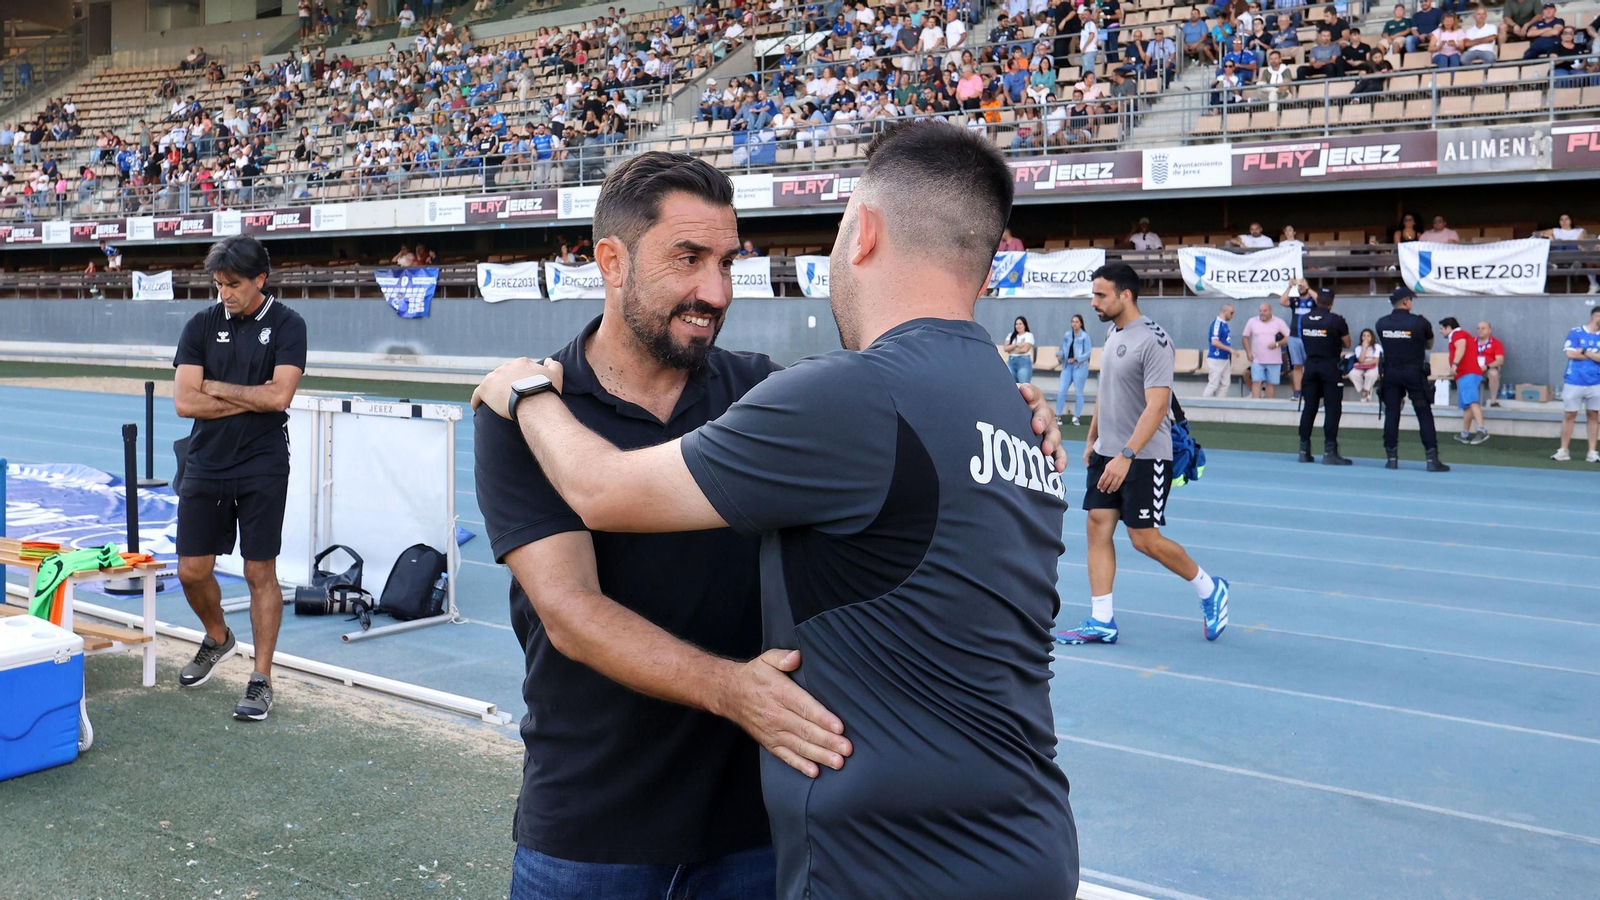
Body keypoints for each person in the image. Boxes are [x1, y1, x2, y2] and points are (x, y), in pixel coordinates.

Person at [470, 124, 1079, 900]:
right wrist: (730, 689)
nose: (716, 291)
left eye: (727, 262)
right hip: (596, 830)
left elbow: (893, 434)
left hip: (761, 835)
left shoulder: (768, 392)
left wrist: (994, 416)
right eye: (688, 260)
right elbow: (570, 613)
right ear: (612, 262)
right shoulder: (526, 415)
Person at [1057, 262, 1229, 646]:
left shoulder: (1154, 340)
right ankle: (1102, 620)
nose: (1093, 302)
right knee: (1097, 524)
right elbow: (1107, 392)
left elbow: (1156, 406)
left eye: (1101, 295)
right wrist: (1092, 440)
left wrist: (1127, 455)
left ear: (1125, 295)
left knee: (1143, 538)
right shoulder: (1114, 333)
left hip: (1144, 456)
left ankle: (1209, 587)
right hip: (1108, 452)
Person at [171, 236, 308, 720]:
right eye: (218, 284)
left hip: (263, 463)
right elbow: (185, 402)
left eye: (233, 285)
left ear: (260, 281)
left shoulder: (289, 325)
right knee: (191, 569)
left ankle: (261, 678)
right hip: (206, 461)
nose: (224, 293)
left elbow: (279, 399)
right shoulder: (200, 324)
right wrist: (249, 394)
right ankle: (218, 636)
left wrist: (213, 385)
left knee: (258, 572)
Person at [1376, 287, 1449, 471]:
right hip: (1414, 371)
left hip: (1391, 372)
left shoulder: (1381, 323)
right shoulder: (1419, 322)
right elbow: (1429, 343)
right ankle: (1432, 460)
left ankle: (1391, 458)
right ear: (1407, 302)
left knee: (1391, 413)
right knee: (1423, 413)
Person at [1296, 288, 1352, 464]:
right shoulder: (1336, 320)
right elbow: (1347, 342)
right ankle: (1330, 452)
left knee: (1309, 408)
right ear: (1332, 302)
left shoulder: (1304, 319)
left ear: (1317, 300)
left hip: (1311, 365)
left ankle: (1304, 450)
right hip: (1329, 366)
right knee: (1333, 408)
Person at [1552, 306, 1600, 462]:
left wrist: (1584, 352)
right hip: (1574, 380)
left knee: (1593, 415)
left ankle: (1592, 452)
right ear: (1596, 316)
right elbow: (1570, 353)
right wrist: (1593, 355)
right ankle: (1564, 450)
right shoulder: (1576, 332)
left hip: (1596, 381)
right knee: (1569, 415)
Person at [1440, 316, 1489, 444]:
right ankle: (1465, 433)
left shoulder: (1458, 334)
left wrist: (1454, 364)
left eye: (1442, 329)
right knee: (1467, 405)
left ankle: (1482, 430)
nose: (1440, 332)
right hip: (1465, 374)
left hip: (1468, 373)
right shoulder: (1460, 335)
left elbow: (1461, 346)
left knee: (1472, 402)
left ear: (1448, 328)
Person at [1539, 213, 1599, 294]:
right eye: (1561, 219)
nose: (1564, 221)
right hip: (1560, 254)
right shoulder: (1556, 230)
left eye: (1566, 219)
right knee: (1558, 242)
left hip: (1574, 254)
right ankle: (1554, 264)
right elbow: (1537, 233)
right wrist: (1551, 237)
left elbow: (1580, 244)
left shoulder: (1579, 231)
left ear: (1571, 221)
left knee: (1572, 245)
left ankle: (1591, 282)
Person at [1278, 277, 1316, 399]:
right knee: (1297, 365)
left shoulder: (1313, 300)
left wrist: (1307, 287)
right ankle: (1297, 392)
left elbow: (1320, 301)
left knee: (1310, 366)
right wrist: (1290, 287)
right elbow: (1282, 301)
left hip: (1309, 337)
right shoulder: (1295, 301)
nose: (1301, 288)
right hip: (1294, 337)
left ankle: (1310, 391)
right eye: (1299, 286)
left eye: (1302, 285)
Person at [1242, 302, 1289, 398]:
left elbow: (1288, 337)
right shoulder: (1252, 321)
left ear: (1270, 311)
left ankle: (1269, 405)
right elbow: (1245, 337)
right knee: (1256, 381)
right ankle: (1256, 404)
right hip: (1256, 358)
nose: (1262, 313)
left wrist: (1277, 344)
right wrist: (1248, 352)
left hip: (1274, 359)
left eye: (1264, 311)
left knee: (1270, 383)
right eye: (1260, 311)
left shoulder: (1279, 322)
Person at [1057, 313, 1092, 425]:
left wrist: (1077, 359)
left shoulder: (1084, 336)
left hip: (1080, 367)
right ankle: (1058, 415)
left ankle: (1076, 416)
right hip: (1067, 366)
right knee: (1062, 390)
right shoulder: (1067, 335)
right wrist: (1059, 355)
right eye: (1073, 322)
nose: (1074, 324)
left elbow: (1087, 352)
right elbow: (1062, 348)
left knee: (1078, 392)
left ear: (1081, 323)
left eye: (1077, 322)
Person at [1203, 303, 1235, 397]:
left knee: (1225, 384)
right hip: (1216, 358)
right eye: (1231, 313)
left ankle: (1219, 403)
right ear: (1225, 312)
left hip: (1224, 358)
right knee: (1213, 384)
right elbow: (1215, 342)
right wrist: (1229, 349)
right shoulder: (1217, 324)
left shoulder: (1224, 324)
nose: (1232, 315)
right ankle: (1203, 404)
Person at [1477, 320, 1506, 406]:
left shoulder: (1496, 343)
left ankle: (1493, 401)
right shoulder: (1471, 342)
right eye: (1478, 328)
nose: (1480, 330)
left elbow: (1500, 360)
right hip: (1473, 367)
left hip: (1488, 368)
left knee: (1494, 374)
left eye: (1483, 328)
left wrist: (1487, 366)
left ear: (1489, 330)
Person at [1350, 328, 1382, 402]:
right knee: (1353, 373)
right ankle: (1365, 391)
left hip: (1373, 365)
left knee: (1369, 375)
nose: (1366, 338)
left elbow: (1376, 360)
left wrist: (1363, 363)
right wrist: (1364, 347)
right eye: (1364, 336)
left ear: (1372, 337)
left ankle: (1365, 391)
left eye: (1368, 336)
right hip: (1361, 366)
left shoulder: (1377, 346)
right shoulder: (1358, 348)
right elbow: (1360, 359)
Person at [1004, 315, 1036, 383]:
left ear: (1025, 325)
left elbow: (1025, 350)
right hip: (1011, 361)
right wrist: (1016, 345)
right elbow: (1006, 348)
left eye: (1020, 324)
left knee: (1023, 385)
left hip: (1023, 361)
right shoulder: (1011, 335)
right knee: (1011, 384)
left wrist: (1012, 350)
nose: (1018, 326)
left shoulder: (1028, 335)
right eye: (1016, 324)